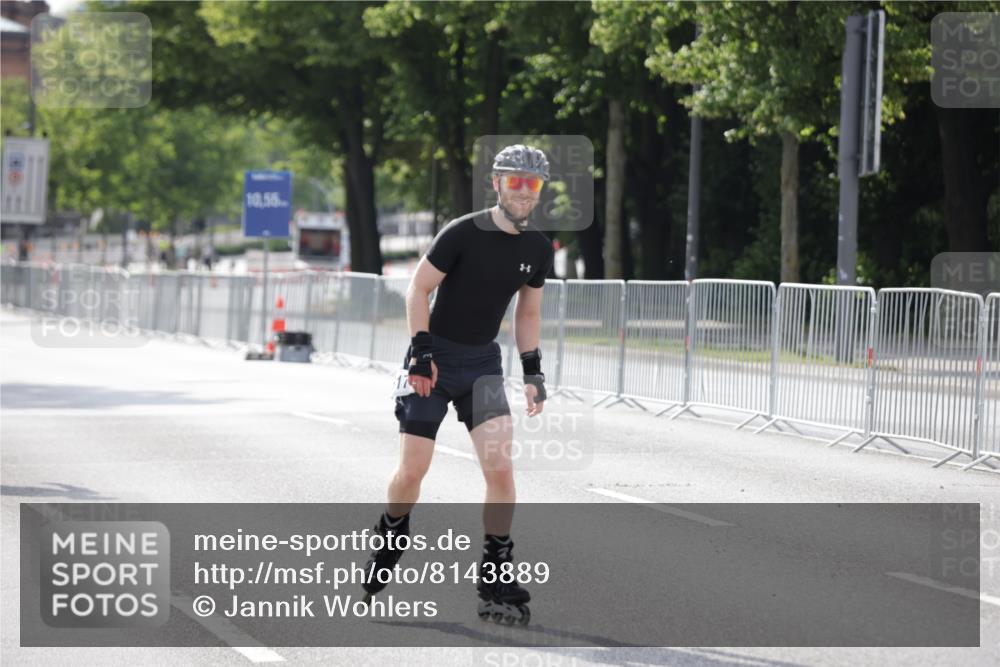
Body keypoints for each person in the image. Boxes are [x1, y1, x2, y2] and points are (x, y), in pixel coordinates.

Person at [362, 145, 554, 626]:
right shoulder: (463, 232)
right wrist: (421, 351)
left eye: (532, 183)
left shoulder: (537, 248)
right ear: (497, 183)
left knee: (500, 469)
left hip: (483, 364)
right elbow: (418, 288)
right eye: (515, 181)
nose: (524, 191)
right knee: (413, 471)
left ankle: (495, 572)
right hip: (434, 360)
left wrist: (532, 372)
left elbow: (528, 313)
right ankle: (392, 530)